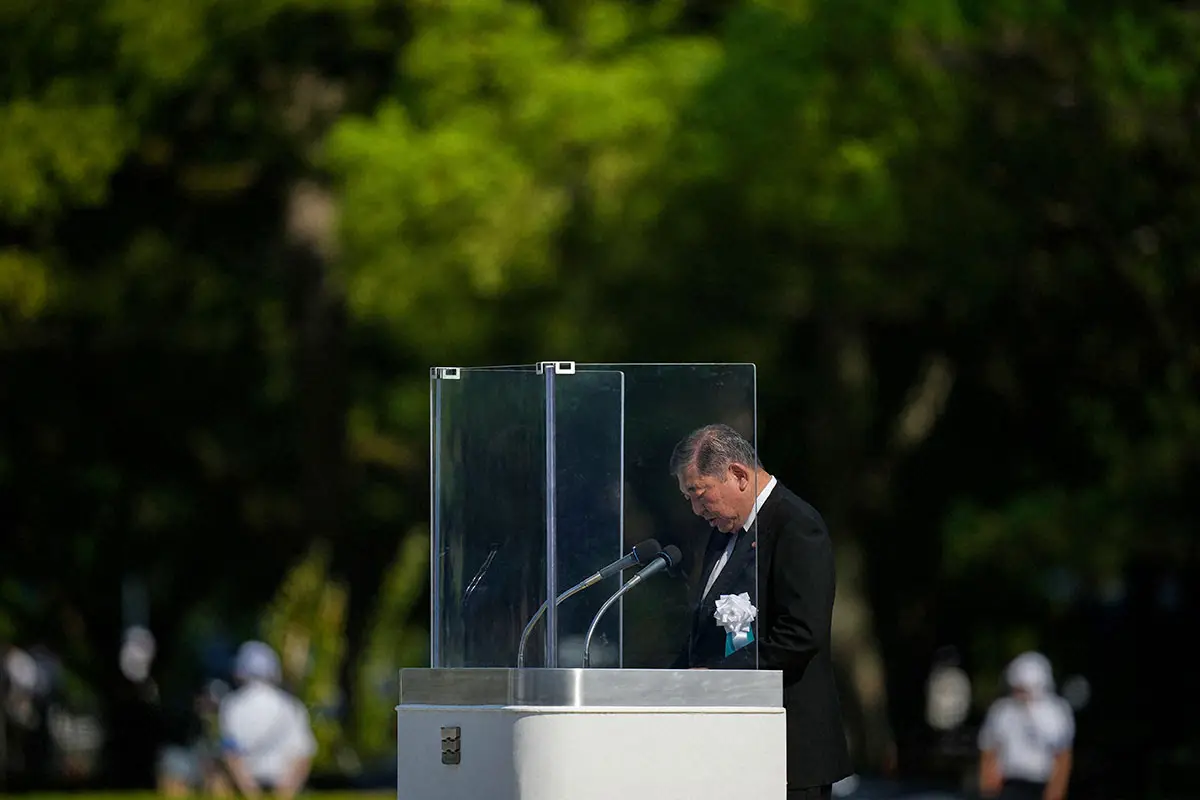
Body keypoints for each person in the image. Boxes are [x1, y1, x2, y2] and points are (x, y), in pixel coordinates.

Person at [669, 423, 851, 800]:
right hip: (731, 746)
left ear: (737, 475)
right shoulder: (724, 531)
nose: (696, 509)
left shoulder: (796, 525)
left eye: (699, 493)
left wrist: (716, 676)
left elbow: (801, 635)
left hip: (788, 751)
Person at [218, 641, 316, 799]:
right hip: (282, 786)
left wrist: (251, 793)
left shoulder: (231, 706)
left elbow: (231, 755)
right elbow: (303, 756)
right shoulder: (291, 706)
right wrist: (284, 794)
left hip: (245, 787)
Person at [978, 652, 1075, 800]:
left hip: (1041, 785)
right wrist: (989, 789)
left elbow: (1062, 757)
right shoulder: (1002, 711)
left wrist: (1055, 793)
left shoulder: (1056, 713)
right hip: (1010, 785)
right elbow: (990, 750)